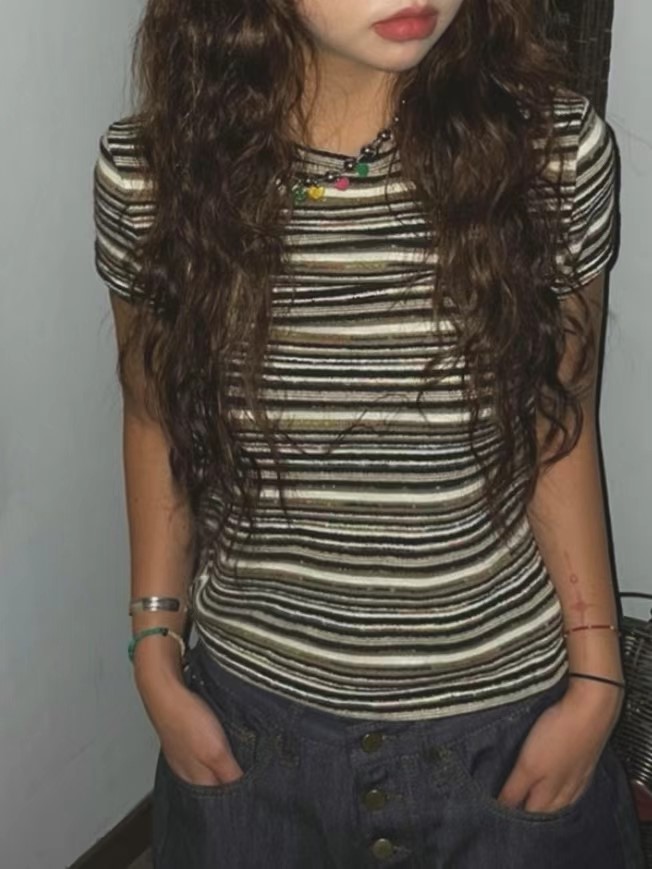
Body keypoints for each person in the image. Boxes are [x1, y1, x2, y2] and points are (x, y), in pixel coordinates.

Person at [93, 1, 646, 866]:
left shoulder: (551, 156)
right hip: (251, 737)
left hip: (501, 738)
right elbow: (152, 410)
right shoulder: (152, 174)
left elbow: (558, 421)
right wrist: (155, 649)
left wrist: (597, 680)